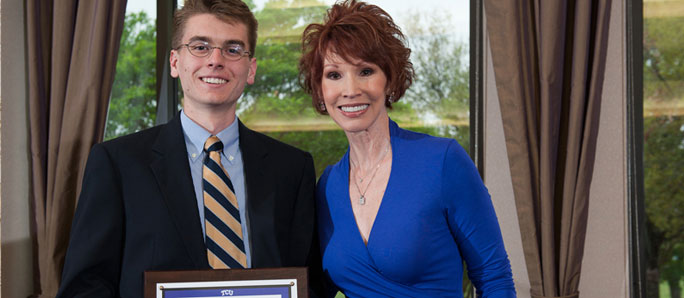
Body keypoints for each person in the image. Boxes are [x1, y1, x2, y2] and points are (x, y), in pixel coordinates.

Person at [57, 0, 321, 297]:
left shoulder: (292, 168)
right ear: (174, 62)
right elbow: (84, 287)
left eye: (233, 49)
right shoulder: (118, 164)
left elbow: (309, 282)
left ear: (251, 69)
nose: (215, 60)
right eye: (200, 47)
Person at [298, 1, 516, 297]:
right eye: (334, 75)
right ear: (321, 90)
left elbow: (494, 277)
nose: (350, 90)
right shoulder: (327, 187)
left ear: (389, 80)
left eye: (365, 71)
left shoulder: (442, 161)